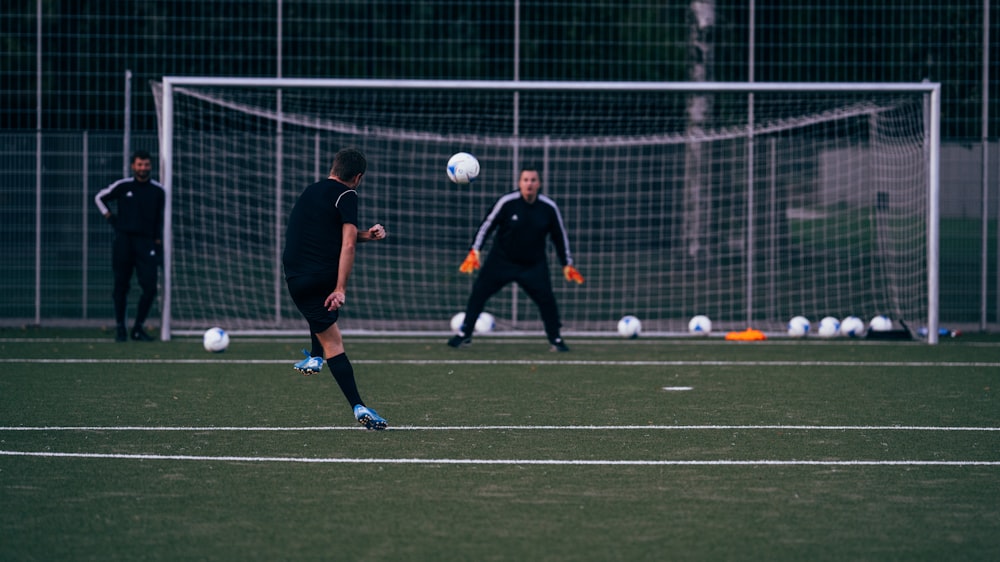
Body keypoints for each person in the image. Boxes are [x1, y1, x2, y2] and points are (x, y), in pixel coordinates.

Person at [282, 148, 389, 430]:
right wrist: (340, 288)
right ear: (358, 177)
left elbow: (335, 235)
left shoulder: (311, 191)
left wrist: (367, 234)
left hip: (294, 277)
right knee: (334, 342)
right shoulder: (348, 194)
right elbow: (347, 244)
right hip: (322, 275)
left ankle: (315, 358)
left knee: (319, 311)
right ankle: (359, 406)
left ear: (333, 168)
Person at [448, 167, 584, 352]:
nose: (529, 183)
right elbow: (487, 225)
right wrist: (475, 250)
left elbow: (559, 236)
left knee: (547, 301)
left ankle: (556, 339)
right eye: (526, 180)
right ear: (520, 183)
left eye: (533, 180)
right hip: (501, 261)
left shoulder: (548, 208)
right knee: (478, 294)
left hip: (533, 265)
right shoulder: (507, 202)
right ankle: (465, 334)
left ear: (539, 184)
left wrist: (567, 263)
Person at [94, 150, 165, 342]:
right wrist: (110, 218)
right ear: (133, 166)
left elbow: (160, 219)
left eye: (146, 165)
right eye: (140, 165)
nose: (143, 168)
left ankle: (138, 328)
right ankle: (120, 328)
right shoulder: (123, 186)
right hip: (124, 242)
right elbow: (99, 197)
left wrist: (157, 244)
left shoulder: (158, 191)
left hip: (146, 243)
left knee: (150, 287)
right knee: (121, 286)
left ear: (151, 166)